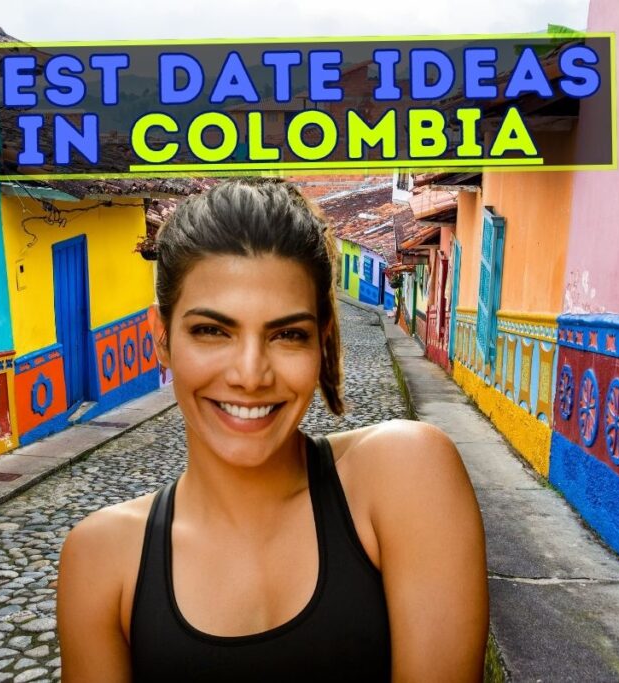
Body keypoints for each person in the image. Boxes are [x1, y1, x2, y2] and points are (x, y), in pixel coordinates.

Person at [57, 178, 488, 682]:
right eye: (212, 330)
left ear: (321, 343)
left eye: (287, 335)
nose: (250, 374)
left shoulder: (407, 476)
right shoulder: (101, 558)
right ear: (161, 338)